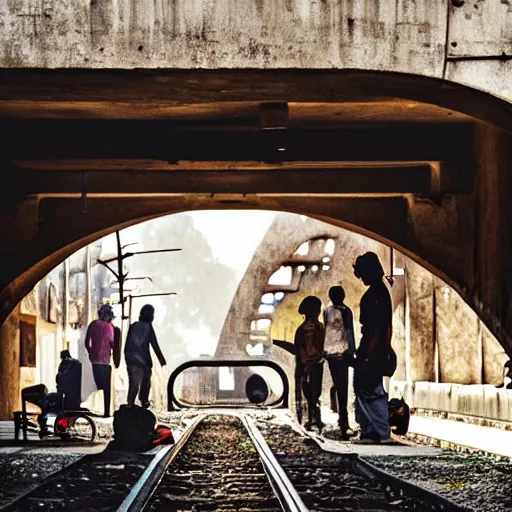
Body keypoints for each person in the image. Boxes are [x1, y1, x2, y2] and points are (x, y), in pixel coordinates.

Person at [352, 252, 393, 444]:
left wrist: (368, 354)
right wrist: (386, 347)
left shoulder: (374, 294)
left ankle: (377, 432)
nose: (361, 278)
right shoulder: (382, 291)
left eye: (362, 273)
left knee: (368, 389)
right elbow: (386, 327)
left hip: (370, 346)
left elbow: (376, 328)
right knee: (371, 388)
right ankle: (371, 431)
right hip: (377, 347)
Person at [323, 285, 356, 439]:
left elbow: (326, 331)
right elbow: (349, 331)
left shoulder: (326, 311)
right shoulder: (346, 311)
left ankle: (342, 419)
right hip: (343, 353)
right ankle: (344, 422)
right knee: (343, 387)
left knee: (338, 385)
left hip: (330, 353)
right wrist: (353, 349)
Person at [124, 304, 167, 408]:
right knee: (145, 382)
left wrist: (127, 358)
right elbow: (154, 344)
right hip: (143, 362)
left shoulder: (133, 326)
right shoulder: (148, 327)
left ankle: (130, 405)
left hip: (131, 360)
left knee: (133, 384)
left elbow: (126, 345)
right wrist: (162, 360)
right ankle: (144, 402)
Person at [294, 296, 325, 431]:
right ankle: (315, 418)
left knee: (307, 391)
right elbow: (323, 346)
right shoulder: (321, 328)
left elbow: (298, 348)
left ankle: (312, 418)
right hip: (317, 363)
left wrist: (303, 364)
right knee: (315, 390)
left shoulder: (300, 329)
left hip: (304, 363)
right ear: (317, 311)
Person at [85, 304, 117, 417]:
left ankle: (97, 408)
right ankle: (107, 412)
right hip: (105, 361)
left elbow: (87, 342)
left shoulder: (93, 324)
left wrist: (91, 352)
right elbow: (113, 343)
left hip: (95, 361)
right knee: (106, 388)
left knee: (99, 386)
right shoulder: (110, 327)